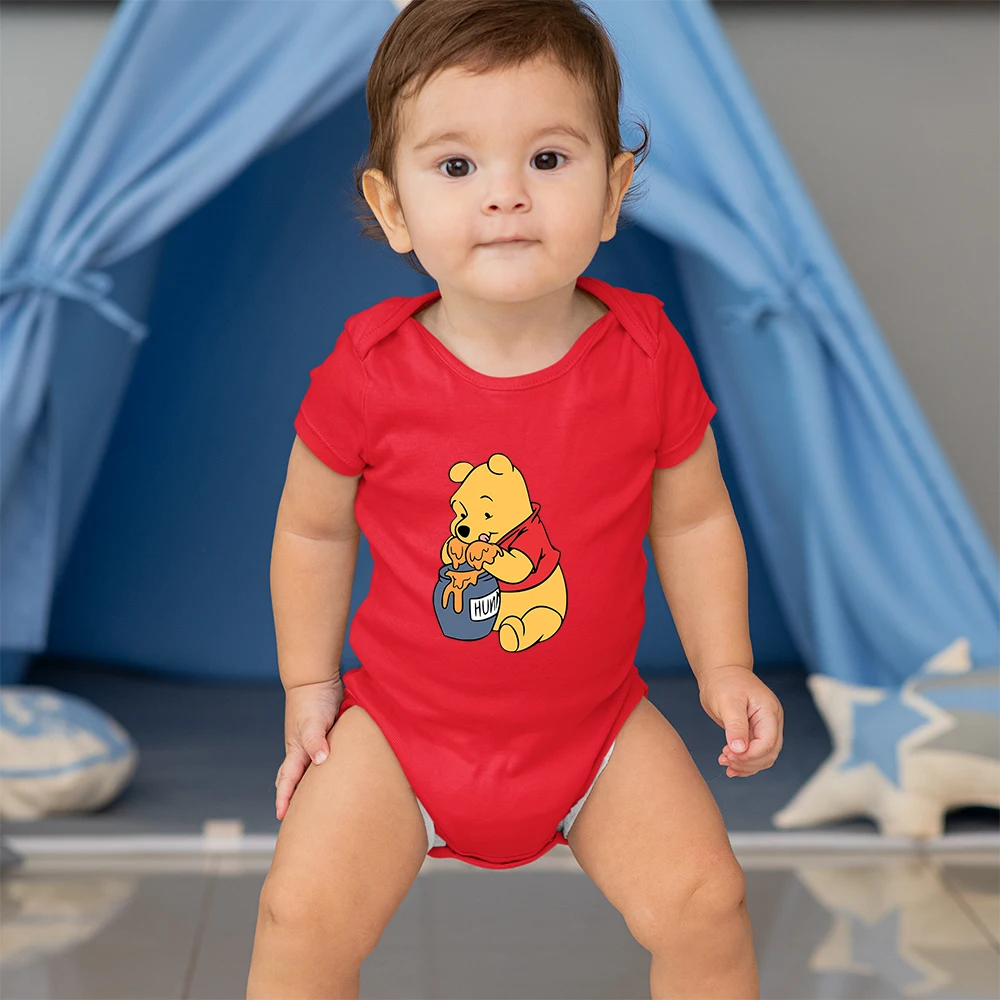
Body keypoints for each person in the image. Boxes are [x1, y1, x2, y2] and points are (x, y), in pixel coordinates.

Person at [247, 2, 784, 997]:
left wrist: (726, 664)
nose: (505, 195)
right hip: (400, 731)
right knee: (299, 913)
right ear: (393, 206)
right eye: (457, 166)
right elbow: (312, 531)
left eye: (547, 158)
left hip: (595, 729)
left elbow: (696, 518)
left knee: (707, 903)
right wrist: (308, 686)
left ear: (613, 191)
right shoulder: (367, 369)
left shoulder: (646, 354)